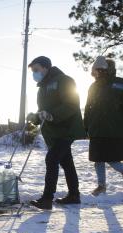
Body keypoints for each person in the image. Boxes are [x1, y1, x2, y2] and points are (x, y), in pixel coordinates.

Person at [26, 56, 85, 210]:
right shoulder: (42, 88)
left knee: (51, 159)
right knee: (67, 162)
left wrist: (52, 115)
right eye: (33, 71)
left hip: (67, 128)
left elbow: (72, 104)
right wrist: (35, 117)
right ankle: (74, 195)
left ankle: (47, 199)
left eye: (36, 70)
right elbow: (43, 112)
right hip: (54, 132)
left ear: (46, 67)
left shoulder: (64, 80)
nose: (35, 73)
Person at [84, 56, 123, 196]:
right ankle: (101, 186)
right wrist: (85, 126)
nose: (96, 73)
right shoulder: (93, 86)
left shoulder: (120, 84)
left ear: (106, 69)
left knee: (111, 158)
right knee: (97, 159)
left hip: (114, 130)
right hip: (96, 130)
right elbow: (88, 108)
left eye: (99, 70)